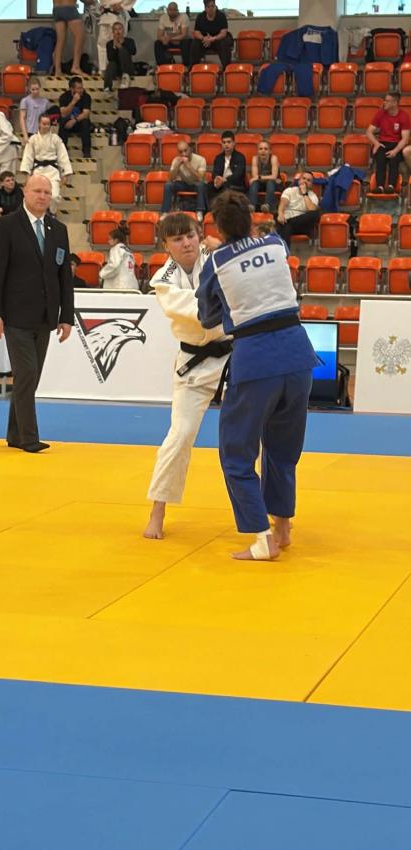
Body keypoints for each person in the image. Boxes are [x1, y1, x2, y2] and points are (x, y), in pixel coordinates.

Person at [196, 190, 317, 561]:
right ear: (250, 219)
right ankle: (282, 526)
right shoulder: (276, 243)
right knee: (282, 448)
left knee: (236, 453)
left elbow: (207, 318)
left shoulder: (215, 262)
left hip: (256, 360)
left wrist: (218, 256)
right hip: (297, 353)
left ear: (217, 228)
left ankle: (262, 539)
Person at [144, 212, 231, 540]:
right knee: (179, 436)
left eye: (191, 235)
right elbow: (203, 313)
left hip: (234, 357)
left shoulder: (219, 257)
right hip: (194, 363)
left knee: (256, 434)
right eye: (177, 239)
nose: (187, 243)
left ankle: (274, 514)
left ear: (199, 235)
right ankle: (158, 509)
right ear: (165, 245)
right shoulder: (163, 280)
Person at [0, 174, 74, 453]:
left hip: (45, 317)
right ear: (25, 192)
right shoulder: (5, 226)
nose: (42, 196)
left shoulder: (58, 229)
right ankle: (29, 438)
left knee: (30, 378)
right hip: (15, 316)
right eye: (37, 190)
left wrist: (66, 316)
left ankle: (15, 433)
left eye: (47, 191)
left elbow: (64, 277)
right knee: (27, 374)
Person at [20, 113, 73, 214]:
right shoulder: (33, 139)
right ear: (39, 124)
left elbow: (63, 157)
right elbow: (28, 157)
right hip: (38, 172)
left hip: (52, 171)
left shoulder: (56, 139)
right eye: (44, 124)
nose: (46, 126)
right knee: (37, 196)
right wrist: (27, 175)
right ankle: (40, 214)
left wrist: (65, 173)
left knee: (54, 196)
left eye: (48, 124)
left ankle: (52, 213)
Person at [366, 92, 410, 193]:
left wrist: (395, 150)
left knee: (394, 160)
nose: (384, 103)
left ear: (395, 103)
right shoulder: (380, 113)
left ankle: (391, 186)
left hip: (397, 144)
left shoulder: (404, 116)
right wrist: (376, 143)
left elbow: (405, 139)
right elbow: (369, 131)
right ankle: (380, 186)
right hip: (382, 142)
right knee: (380, 159)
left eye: (387, 101)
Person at [160, 140, 208, 222]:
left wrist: (189, 167)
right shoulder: (176, 160)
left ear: (190, 149)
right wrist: (177, 166)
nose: (184, 154)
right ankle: (165, 212)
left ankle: (199, 211)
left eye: (185, 150)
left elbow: (201, 178)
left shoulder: (201, 159)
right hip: (182, 184)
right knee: (168, 185)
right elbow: (170, 178)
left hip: (195, 184)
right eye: (180, 152)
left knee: (201, 185)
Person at [276, 171, 320, 248]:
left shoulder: (313, 196)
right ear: (299, 180)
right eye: (304, 178)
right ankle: (285, 253)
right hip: (285, 220)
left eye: (308, 180)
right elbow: (282, 204)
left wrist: (304, 194)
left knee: (315, 213)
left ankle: (288, 223)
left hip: (301, 225)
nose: (305, 181)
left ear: (311, 184)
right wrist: (280, 214)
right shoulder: (290, 190)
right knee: (286, 227)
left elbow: (311, 210)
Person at [190, 0, 234, 70]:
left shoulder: (221, 16)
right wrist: (203, 38)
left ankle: (227, 69)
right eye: (208, 7)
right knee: (195, 43)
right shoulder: (200, 17)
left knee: (224, 43)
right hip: (204, 41)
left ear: (215, 6)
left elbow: (223, 33)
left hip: (217, 39)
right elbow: (196, 32)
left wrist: (213, 38)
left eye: (213, 6)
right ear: (205, 8)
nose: (211, 9)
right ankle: (193, 69)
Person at [207, 130, 246, 206]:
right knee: (208, 186)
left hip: (235, 184)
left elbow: (238, 175)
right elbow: (214, 173)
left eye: (228, 142)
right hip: (221, 183)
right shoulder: (218, 158)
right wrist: (217, 179)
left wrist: (224, 180)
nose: (226, 144)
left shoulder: (240, 157)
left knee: (225, 185)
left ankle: (224, 209)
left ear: (234, 143)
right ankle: (212, 208)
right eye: (224, 142)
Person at [97, 0, 134, 75]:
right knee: (102, 44)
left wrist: (122, 5)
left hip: (118, 14)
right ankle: (103, 69)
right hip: (105, 14)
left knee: (118, 43)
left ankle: (121, 70)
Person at [59, 76, 92, 158]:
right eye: (78, 88)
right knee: (63, 121)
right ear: (72, 89)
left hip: (79, 123)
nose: (81, 90)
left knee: (85, 122)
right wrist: (73, 102)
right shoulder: (64, 97)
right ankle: (62, 151)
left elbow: (86, 114)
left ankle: (86, 152)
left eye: (82, 87)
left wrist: (74, 120)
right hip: (68, 124)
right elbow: (63, 114)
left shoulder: (86, 97)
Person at [99, 223, 139, 290]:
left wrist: (102, 273)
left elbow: (114, 265)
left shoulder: (116, 249)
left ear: (116, 240)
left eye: (110, 239)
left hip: (119, 285)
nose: (108, 241)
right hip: (131, 284)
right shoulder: (128, 250)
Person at [53, 0, 85, 77]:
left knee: (60, 40)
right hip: (69, 8)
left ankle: (57, 70)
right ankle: (76, 66)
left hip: (56, 9)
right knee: (79, 36)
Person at [154, 2, 191, 67]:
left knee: (186, 42)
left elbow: (184, 35)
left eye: (174, 10)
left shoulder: (184, 17)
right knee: (157, 43)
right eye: (170, 10)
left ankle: (186, 66)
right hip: (169, 42)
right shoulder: (163, 17)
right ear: (167, 10)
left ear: (177, 10)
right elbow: (159, 35)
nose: (172, 12)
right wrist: (164, 39)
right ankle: (162, 66)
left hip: (181, 41)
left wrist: (169, 39)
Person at [248, 140, 280, 213]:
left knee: (270, 182)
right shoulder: (255, 159)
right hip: (260, 183)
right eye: (260, 149)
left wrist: (259, 177)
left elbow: (274, 176)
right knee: (254, 184)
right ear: (257, 151)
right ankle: (251, 207)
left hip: (274, 183)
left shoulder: (273, 158)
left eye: (266, 149)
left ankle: (267, 206)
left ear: (270, 151)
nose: (263, 151)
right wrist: (258, 178)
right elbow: (255, 176)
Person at [104, 22, 136, 92]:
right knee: (111, 64)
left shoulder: (130, 41)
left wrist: (120, 46)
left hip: (128, 67)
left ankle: (125, 77)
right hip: (116, 68)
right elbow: (110, 58)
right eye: (115, 29)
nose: (118, 31)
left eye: (119, 29)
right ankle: (107, 88)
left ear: (123, 30)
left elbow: (133, 52)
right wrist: (114, 47)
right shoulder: (109, 44)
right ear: (113, 32)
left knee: (122, 51)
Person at [19, 77, 51, 142]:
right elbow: (22, 118)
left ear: (40, 88)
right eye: (33, 89)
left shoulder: (45, 102)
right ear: (29, 89)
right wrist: (25, 135)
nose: (35, 91)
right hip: (29, 131)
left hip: (42, 132)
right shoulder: (25, 101)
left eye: (37, 89)